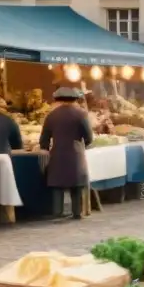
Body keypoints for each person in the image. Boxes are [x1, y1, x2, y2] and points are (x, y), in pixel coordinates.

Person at [39, 87, 93, 220]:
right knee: (77, 183)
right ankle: (77, 212)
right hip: (76, 153)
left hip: (57, 153)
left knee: (58, 183)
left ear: (57, 100)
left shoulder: (51, 116)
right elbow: (89, 137)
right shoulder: (81, 114)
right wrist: (83, 144)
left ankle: (58, 211)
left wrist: (46, 147)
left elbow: (44, 139)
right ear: (75, 99)